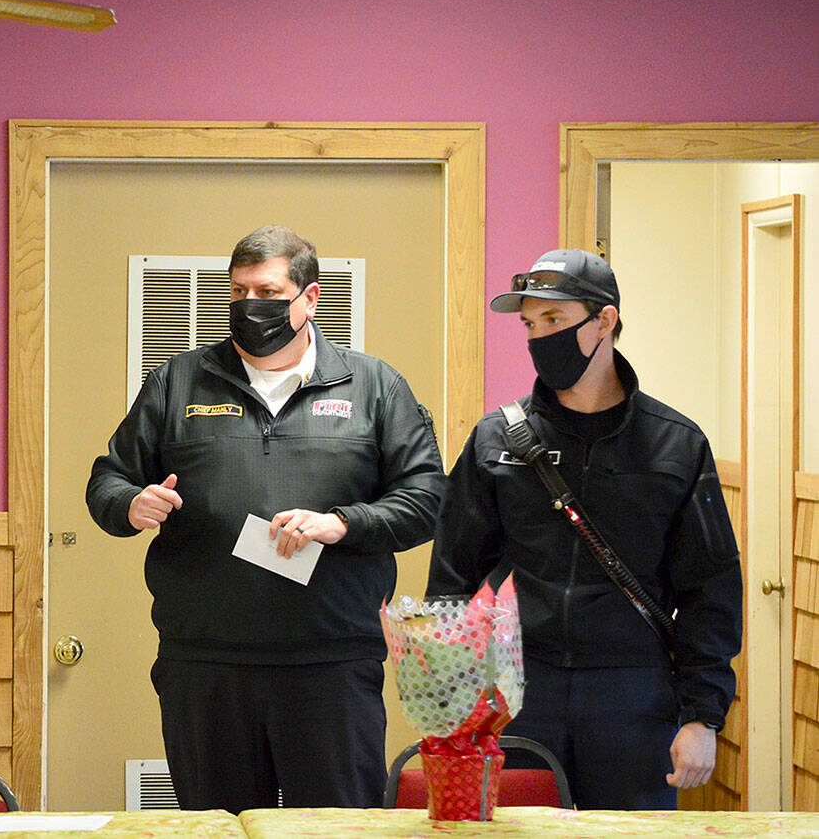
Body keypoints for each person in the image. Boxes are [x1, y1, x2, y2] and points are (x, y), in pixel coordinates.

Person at [86, 225, 446, 812]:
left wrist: (344, 523)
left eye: (268, 292)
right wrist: (129, 504)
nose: (251, 307)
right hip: (206, 665)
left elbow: (427, 498)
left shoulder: (375, 385)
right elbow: (108, 478)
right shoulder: (180, 380)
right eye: (239, 292)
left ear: (310, 299)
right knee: (219, 831)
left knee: (334, 831)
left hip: (330, 665)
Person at [426, 248, 743, 810]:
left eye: (554, 320)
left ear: (605, 320)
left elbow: (711, 590)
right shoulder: (497, 439)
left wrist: (702, 716)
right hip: (520, 690)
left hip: (633, 691)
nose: (537, 336)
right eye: (529, 324)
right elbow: (452, 577)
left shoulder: (677, 443)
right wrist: (450, 699)